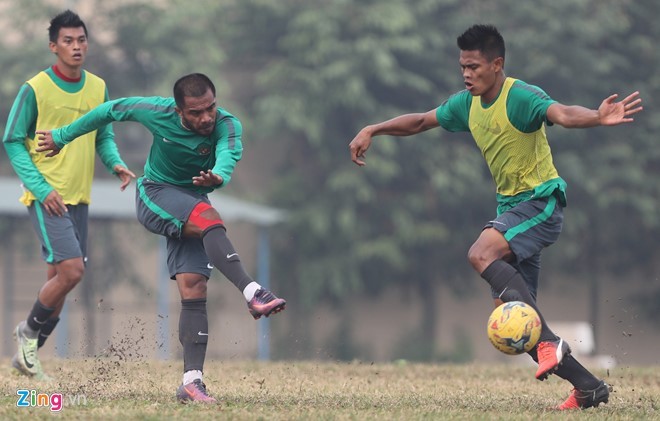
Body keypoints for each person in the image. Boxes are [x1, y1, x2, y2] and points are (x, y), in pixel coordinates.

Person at [348, 24, 642, 410]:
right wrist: (375, 128)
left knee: (480, 253)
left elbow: (563, 114)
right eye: (462, 67)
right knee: (514, 320)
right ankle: (588, 387)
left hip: (541, 203)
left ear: (496, 64)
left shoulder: (520, 96)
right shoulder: (466, 104)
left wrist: (595, 116)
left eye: (473, 66)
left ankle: (554, 346)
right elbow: (421, 121)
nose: (466, 74)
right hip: (512, 211)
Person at [35, 72, 287, 403]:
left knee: (194, 285)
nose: (206, 117)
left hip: (193, 201)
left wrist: (219, 175)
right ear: (179, 111)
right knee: (209, 219)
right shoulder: (156, 111)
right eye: (196, 113)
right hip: (156, 193)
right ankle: (253, 292)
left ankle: (191, 383)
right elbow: (110, 109)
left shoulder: (228, 125)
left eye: (210, 108)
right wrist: (63, 136)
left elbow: (227, 157)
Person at [2, 10, 135, 381]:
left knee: (57, 286)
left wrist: (116, 164)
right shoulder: (35, 88)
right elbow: (12, 141)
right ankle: (27, 334)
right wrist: (41, 188)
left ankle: (26, 357)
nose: (76, 47)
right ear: (53, 46)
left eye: (81, 40)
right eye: (67, 41)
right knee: (74, 271)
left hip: (80, 198)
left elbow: (103, 136)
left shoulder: (97, 87)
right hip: (48, 198)